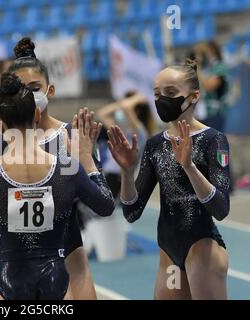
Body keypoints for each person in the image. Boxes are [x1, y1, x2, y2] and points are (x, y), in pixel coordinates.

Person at [0, 37, 110, 299]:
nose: (27, 96)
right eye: (21, 89)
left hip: (69, 255)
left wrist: (86, 160)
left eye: (34, 88)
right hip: (13, 269)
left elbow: (97, 202)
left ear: (49, 90)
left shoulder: (71, 137)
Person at [108, 59, 230, 299]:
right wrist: (126, 171)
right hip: (169, 253)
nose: (162, 99)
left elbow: (221, 208)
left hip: (202, 246)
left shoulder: (213, 140)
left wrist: (189, 167)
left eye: (171, 93)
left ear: (193, 97)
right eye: (157, 93)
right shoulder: (155, 145)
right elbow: (132, 211)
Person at [96, 92, 155, 199]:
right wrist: (128, 101)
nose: (121, 112)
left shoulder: (140, 132)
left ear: (136, 112)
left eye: (126, 111)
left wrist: (136, 98)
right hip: (109, 175)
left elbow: (126, 107)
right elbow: (101, 114)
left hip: (120, 178)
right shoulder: (123, 130)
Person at [194, 41, 230, 132]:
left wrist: (198, 68)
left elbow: (209, 86)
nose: (199, 57)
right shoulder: (208, 68)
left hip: (215, 112)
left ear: (211, 51)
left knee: (215, 143)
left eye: (201, 53)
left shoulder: (220, 67)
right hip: (203, 112)